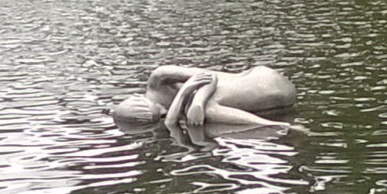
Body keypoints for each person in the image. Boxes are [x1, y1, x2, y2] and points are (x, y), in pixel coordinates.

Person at [112, 65, 296, 126]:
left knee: (203, 111)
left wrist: (197, 101)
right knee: (206, 113)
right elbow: (249, 120)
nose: (163, 110)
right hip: (278, 94)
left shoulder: (159, 78)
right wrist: (184, 93)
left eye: (159, 108)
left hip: (263, 78)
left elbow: (209, 77)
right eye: (159, 114)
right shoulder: (196, 110)